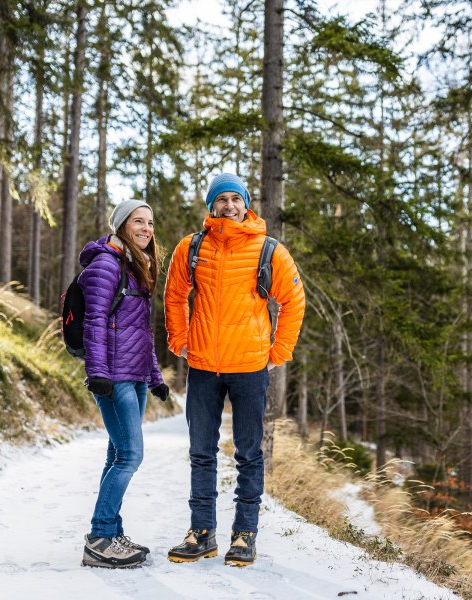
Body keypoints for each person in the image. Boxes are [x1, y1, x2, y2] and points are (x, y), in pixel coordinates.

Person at [164, 173, 305, 567]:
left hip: (249, 367)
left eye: (235, 199)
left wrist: (279, 350)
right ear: (211, 206)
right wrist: (179, 340)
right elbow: (174, 296)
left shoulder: (270, 251)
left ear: (246, 204)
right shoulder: (190, 248)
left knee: (248, 454)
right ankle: (201, 533)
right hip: (204, 367)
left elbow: (294, 301)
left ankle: (244, 535)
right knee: (201, 453)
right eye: (221, 199)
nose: (229, 205)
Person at [79, 200, 170, 569]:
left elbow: (141, 334)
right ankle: (100, 536)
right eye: (138, 221)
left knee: (117, 454)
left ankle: (111, 532)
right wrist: (97, 372)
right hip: (114, 376)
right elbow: (95, 321)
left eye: (150, 222)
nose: (147, 228)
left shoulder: (135, 267)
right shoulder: (106, 264)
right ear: (121, 226)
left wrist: (156, 378)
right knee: (131, 455)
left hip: (134, 378)